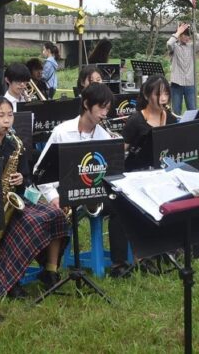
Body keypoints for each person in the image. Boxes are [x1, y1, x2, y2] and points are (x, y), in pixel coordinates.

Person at [0, 96, 69, 300]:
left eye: (10, 115)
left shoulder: (15, 145)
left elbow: (27, 178)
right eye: (0, 115)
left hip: (14, 199)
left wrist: (21, 178)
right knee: (25, 225)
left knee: (55, 214)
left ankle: (50, 269)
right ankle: (12, 281)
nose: (7, 121)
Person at [33, 83, 130, 278]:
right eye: (101, 107)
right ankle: (50, 267)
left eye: (108, 109)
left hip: (94, 192)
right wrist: (54, 198)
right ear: (86, 104)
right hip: (66, 193)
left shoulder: (104, 135)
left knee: (122, 207)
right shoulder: (62, 131)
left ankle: (120, 264)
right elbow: (40, 172)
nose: (105, 113)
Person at [122, 75, 178, 171]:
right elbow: (121, 151)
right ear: (146, 96)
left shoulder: (171, 119)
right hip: (137, 172)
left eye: (166, 94)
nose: (163, 99)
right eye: (158, 94)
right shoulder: (135, 120)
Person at [167, 22, 199, 115]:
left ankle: (192, 128)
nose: (187, 38)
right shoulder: (175, 47)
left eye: (188, 36)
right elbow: (169, 44)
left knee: (192, 110)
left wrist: (194, 33)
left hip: (190, 83)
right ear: (180, 36)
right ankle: (176, 128)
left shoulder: (192, 47)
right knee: (176, 111)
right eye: (185, 35)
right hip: (176, 84)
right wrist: (178, 32)